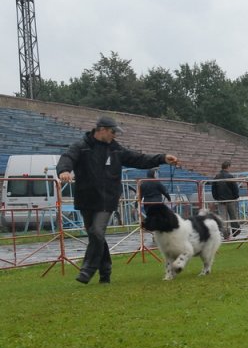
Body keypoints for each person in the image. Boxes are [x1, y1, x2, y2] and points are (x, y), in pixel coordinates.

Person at [56, 116, 178, 284]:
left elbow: (139, 159)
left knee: (97, 231)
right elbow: (67, 158)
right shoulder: (81, 146)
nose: (115, 136)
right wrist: (64, 170)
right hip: (86, 198)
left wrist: (162, 158)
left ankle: (87, 270)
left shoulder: (115, 149)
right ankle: (105, 272)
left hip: (107, 199)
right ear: (102, 130)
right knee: (95, 236)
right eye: (113, 132)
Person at [211, 160, 240, 238]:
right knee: (233, 216)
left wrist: (216, 198)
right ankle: (236, 231)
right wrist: (236, 196)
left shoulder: (216, 176)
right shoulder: (230, 176)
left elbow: (213, 189)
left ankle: (226, 234)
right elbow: (235, 188)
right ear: (228, 167)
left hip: (221, 200)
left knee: (223, 218)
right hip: (230, 200)